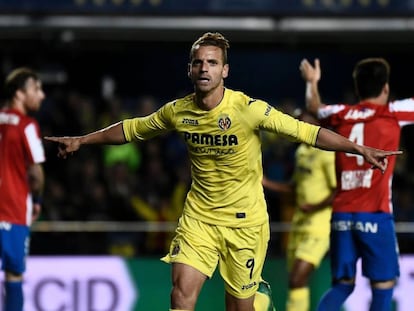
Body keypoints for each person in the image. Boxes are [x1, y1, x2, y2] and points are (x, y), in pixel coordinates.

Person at [45, 33, 399, 311]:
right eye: (198, 62)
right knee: (181, 296)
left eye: (212, 63)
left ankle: (257, 300)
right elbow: (131, 128)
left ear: (224, 71)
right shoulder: (177, 111)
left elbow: (307, 132)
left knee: (240, 306)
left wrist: (358, 148)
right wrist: (82, 140)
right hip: (199, 217)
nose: (204, 68)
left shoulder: (249, 110)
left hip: (245, 223)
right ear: (189, 69)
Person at [300, 57, 414, 311]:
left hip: (342, 215)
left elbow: (314, 106)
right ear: (385, 88)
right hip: (375, 214)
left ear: (357, 89)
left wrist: (312, 82)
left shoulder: (341, 114)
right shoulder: (394, 112)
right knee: (383, 288)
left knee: (342, 286)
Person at [262, 110, 336, 311]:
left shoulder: (327, 153)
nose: (299, 127)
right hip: (299, 223)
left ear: (314, 124)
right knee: (295, 281)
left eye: (303, 122)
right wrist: (267, 183)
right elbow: (295, 188)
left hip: (319, 226)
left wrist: (314, 206)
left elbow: (338, 190)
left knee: (297, 278)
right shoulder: (301, 152)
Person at [0, 67, 46, 310]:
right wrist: (37, 198)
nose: (42, 95)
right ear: (19, 93)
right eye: (36, 89)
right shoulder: (26, 125)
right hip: (13, 211)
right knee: (13, 276)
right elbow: (35, 172)